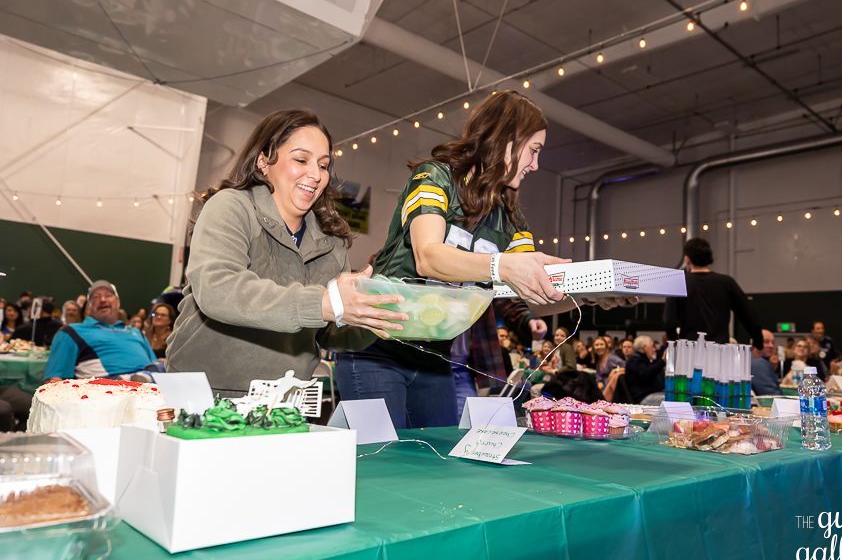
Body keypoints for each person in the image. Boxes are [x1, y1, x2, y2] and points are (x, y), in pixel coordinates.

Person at [335, 91, 632, 428]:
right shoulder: (436, 177)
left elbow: (534, 299)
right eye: (533, 151)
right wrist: (503, 265)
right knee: (381, 461)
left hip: (434, 358)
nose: (536, 165)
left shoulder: (510, 215)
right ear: (506, 140)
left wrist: (589, 294)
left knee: (435, 465)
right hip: (377, 347)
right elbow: (427, 256)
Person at [167, 110, 404, 396]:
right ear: (264, 161)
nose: (316, 175)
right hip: (205, 392)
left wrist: (372, 316)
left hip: (285, 399)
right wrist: (324, 303)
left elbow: (330, 332)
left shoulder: (332, 241)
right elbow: (218, 289)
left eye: (324, 165)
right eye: (301, 160)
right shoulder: (231, 207)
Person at [44, 280, 157, 381]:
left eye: (108, 295)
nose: (103, 300)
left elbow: (155, 365)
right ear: (89, 306)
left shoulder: (137, 333)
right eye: (96, 297)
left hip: (152, 390)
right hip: (106, 392)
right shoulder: (70, 332)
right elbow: (54, 380)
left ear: (118, 302)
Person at [663, 238, 762, 349]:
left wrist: (674, 344)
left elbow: (669, 322)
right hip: (719, 351)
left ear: (686, 259)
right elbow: (748, 315)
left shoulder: (677, 282)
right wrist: (758, 342)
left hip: (689, 351)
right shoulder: (726, 283)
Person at [620, 334, 666, 405]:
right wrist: (662, 361)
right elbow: (646, 373)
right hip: (642, 398)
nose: (654, 349)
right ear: (645, 347)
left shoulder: (643, 360)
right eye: (652, 346)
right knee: (671, 399)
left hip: (651, 394)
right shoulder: (634, 360)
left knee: (673, 395)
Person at [750, 329, 782, 396]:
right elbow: (772, 395)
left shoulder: (752, 360)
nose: (771, 346)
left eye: (773, 342)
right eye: (766, 342)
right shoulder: (758, 363)